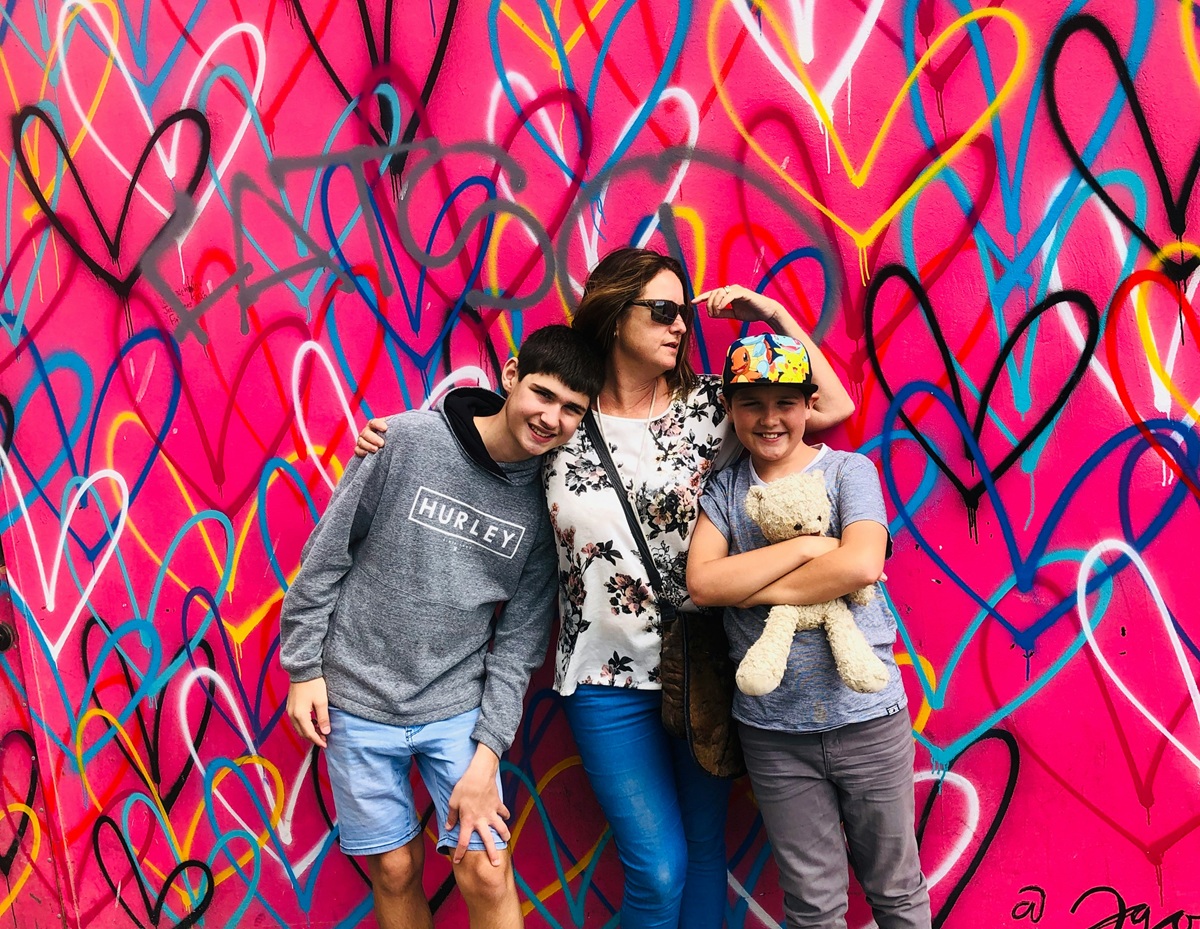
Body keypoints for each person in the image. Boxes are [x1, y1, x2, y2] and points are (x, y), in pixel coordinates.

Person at [355, 246, 854, 929]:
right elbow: (480, 445)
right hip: (601, 676)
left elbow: (831, 406)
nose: (680, 325)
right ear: (617, 314)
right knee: (658, 867)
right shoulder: (562, 416)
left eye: (683, 312)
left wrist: (768, 315)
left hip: (703, 664)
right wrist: (391, 440)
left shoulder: (711, 406)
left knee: (705, 854)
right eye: (662, 311)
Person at [280, 324, 605, 929]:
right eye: (542, 393)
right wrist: (302, 669)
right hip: (354, 697)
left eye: (572, 410)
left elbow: (519, 645)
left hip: (454, 705)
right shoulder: (404, 441)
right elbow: (327, 555)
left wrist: (486, 760)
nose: (551, 417)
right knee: (395, 870)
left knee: (484, 867)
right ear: (510, 376)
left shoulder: (549, 502)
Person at [687, 333, 930, 929]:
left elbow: (860, 564)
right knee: (813, 905)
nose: (770, 419)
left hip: (868, 719)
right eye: (752, 404)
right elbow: (703, 586)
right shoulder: (726, 489)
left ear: (808, 405)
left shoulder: (850, 471)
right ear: (731, 408)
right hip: (774, 734)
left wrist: (749, 586)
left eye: (785, 403)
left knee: (896, 890)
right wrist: (802, 548)